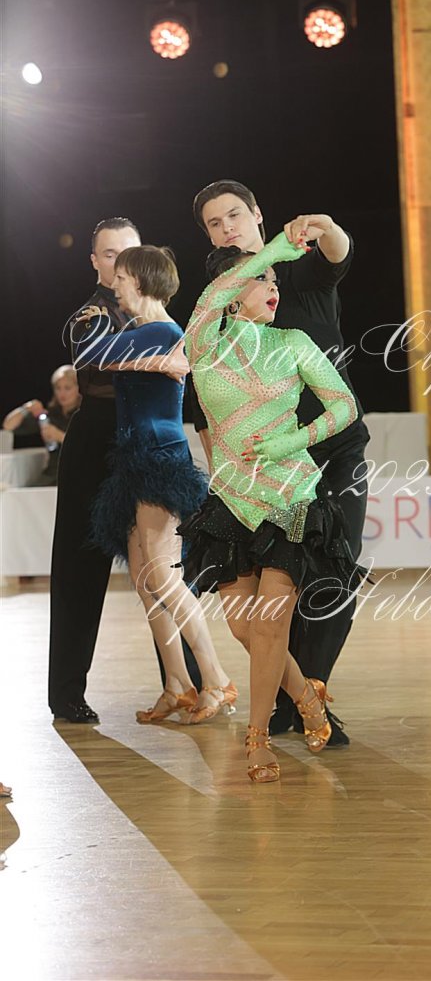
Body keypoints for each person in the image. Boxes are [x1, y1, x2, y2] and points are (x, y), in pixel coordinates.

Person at [179, 231, 366, 782]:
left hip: (290, 497)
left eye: (275, 278)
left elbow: (345, 408)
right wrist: (268, 252)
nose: (273, 285)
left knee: (268, 626)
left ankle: (257, 737)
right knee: (244, 629)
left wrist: (293, 441)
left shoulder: (293, 342)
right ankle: (307, 696)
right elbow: (209, 300)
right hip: (233, 502)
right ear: (232, 289)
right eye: (261, 278)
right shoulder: (204, 343)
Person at [48, 217, 201, 724]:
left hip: (150, 440)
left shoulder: (155, 313)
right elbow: (90, 357)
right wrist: (161, 360)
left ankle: (188, 683)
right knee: (81, 565)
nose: (120, 263)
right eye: (110, 254)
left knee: (165, 566)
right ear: (95, 261)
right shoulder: (90, 315)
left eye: (129, 252)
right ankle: (66, 691)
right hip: (97, 437)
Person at [77, 245, 236, 723]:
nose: (116, 286)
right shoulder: (139, 334)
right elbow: (93, 357)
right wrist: (144, 362)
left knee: (164, 576)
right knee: (147, 582)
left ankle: (217, 679)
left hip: (160, 463)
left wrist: (126, 351)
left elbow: (96, 354)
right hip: (134, 463)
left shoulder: (164, 331)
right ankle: (177, 684)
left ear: (143, 281)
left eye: (122, 278)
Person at [3, 365, 81, 485]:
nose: (62, 393)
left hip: (80, 473)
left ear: (79, 388)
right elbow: (8, 426)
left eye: (67, 388)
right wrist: (26, 408)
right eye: (58, 388)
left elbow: (92, 446)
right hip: (53, 473)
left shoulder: (86, 414)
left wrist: (59, 436)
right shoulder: (49, 416)